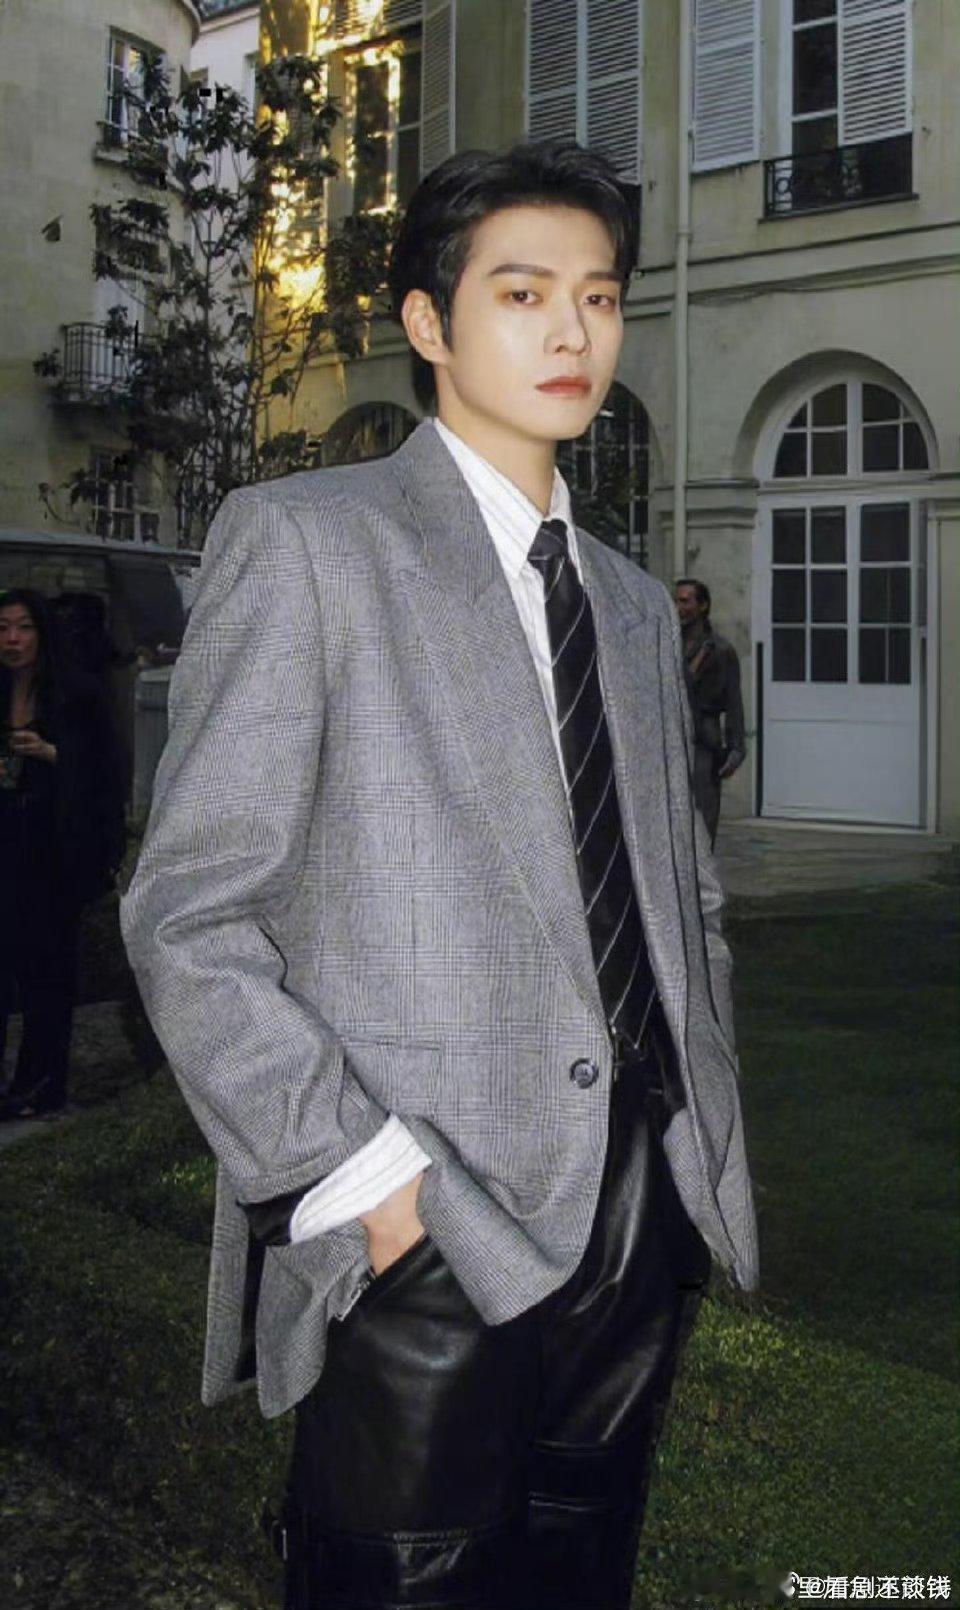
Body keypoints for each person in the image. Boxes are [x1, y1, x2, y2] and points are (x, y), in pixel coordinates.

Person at [121, 140, 757, 1610]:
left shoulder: (629, 605)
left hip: (640, 1208)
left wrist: (695, 1127)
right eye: (523, 293)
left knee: (577, 1575)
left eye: (599, 296)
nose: (572, 330)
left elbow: (685, 893)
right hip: (427, 1216)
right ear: (428, 321)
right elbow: (189, 913)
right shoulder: (306, 543)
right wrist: (368, 1183)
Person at [0, 588, 125, 1119]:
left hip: (51, 853)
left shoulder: (75, 694)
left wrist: (52, 753)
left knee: (47, 973)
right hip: (5, 843)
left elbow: (106, 771)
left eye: (23, 627)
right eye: (3, 628)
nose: (12, 639)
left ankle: (41, 1083)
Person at [674, 578, 747, 849]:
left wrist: (736, 747)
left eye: (685, 601)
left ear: (702, 605)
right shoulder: (670, 645)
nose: (679, 608)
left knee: (703, 822)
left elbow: (734, 701)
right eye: (676, 601)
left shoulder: (721, 651)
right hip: (673, 739)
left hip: (705, 741)